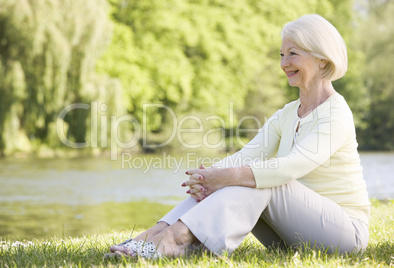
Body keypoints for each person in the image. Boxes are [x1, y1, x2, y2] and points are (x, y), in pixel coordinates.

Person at [107, 14, 370, 259]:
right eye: (281, 54)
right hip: (292, 232)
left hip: (345, 234)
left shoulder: (336, 113)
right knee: (245, 174)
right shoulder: (288, 114)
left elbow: (291, 167)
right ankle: (153, 236)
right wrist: (207, 178)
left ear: (322, 58)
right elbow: (247, 155)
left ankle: (176, 241)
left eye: (293, 54)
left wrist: (227, 177)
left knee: (262, 179)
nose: (284, 63)